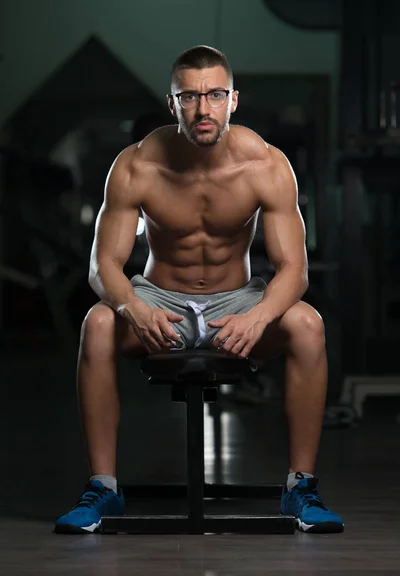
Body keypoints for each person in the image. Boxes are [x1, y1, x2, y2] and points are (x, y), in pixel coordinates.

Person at [54, 45, 344, 534]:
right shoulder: (136, 166)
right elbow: (103, 266)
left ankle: (301, 488)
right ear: (173, 104)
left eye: (214, 94)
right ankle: (102, 489)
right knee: (98, 322)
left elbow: (294, 269)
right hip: (159, 298)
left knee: (307, 325)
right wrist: (132, 308)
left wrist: (257, 316)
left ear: (233, 100)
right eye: (189, 96)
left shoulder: (267, 166)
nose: (202, 108)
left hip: (237, 300)